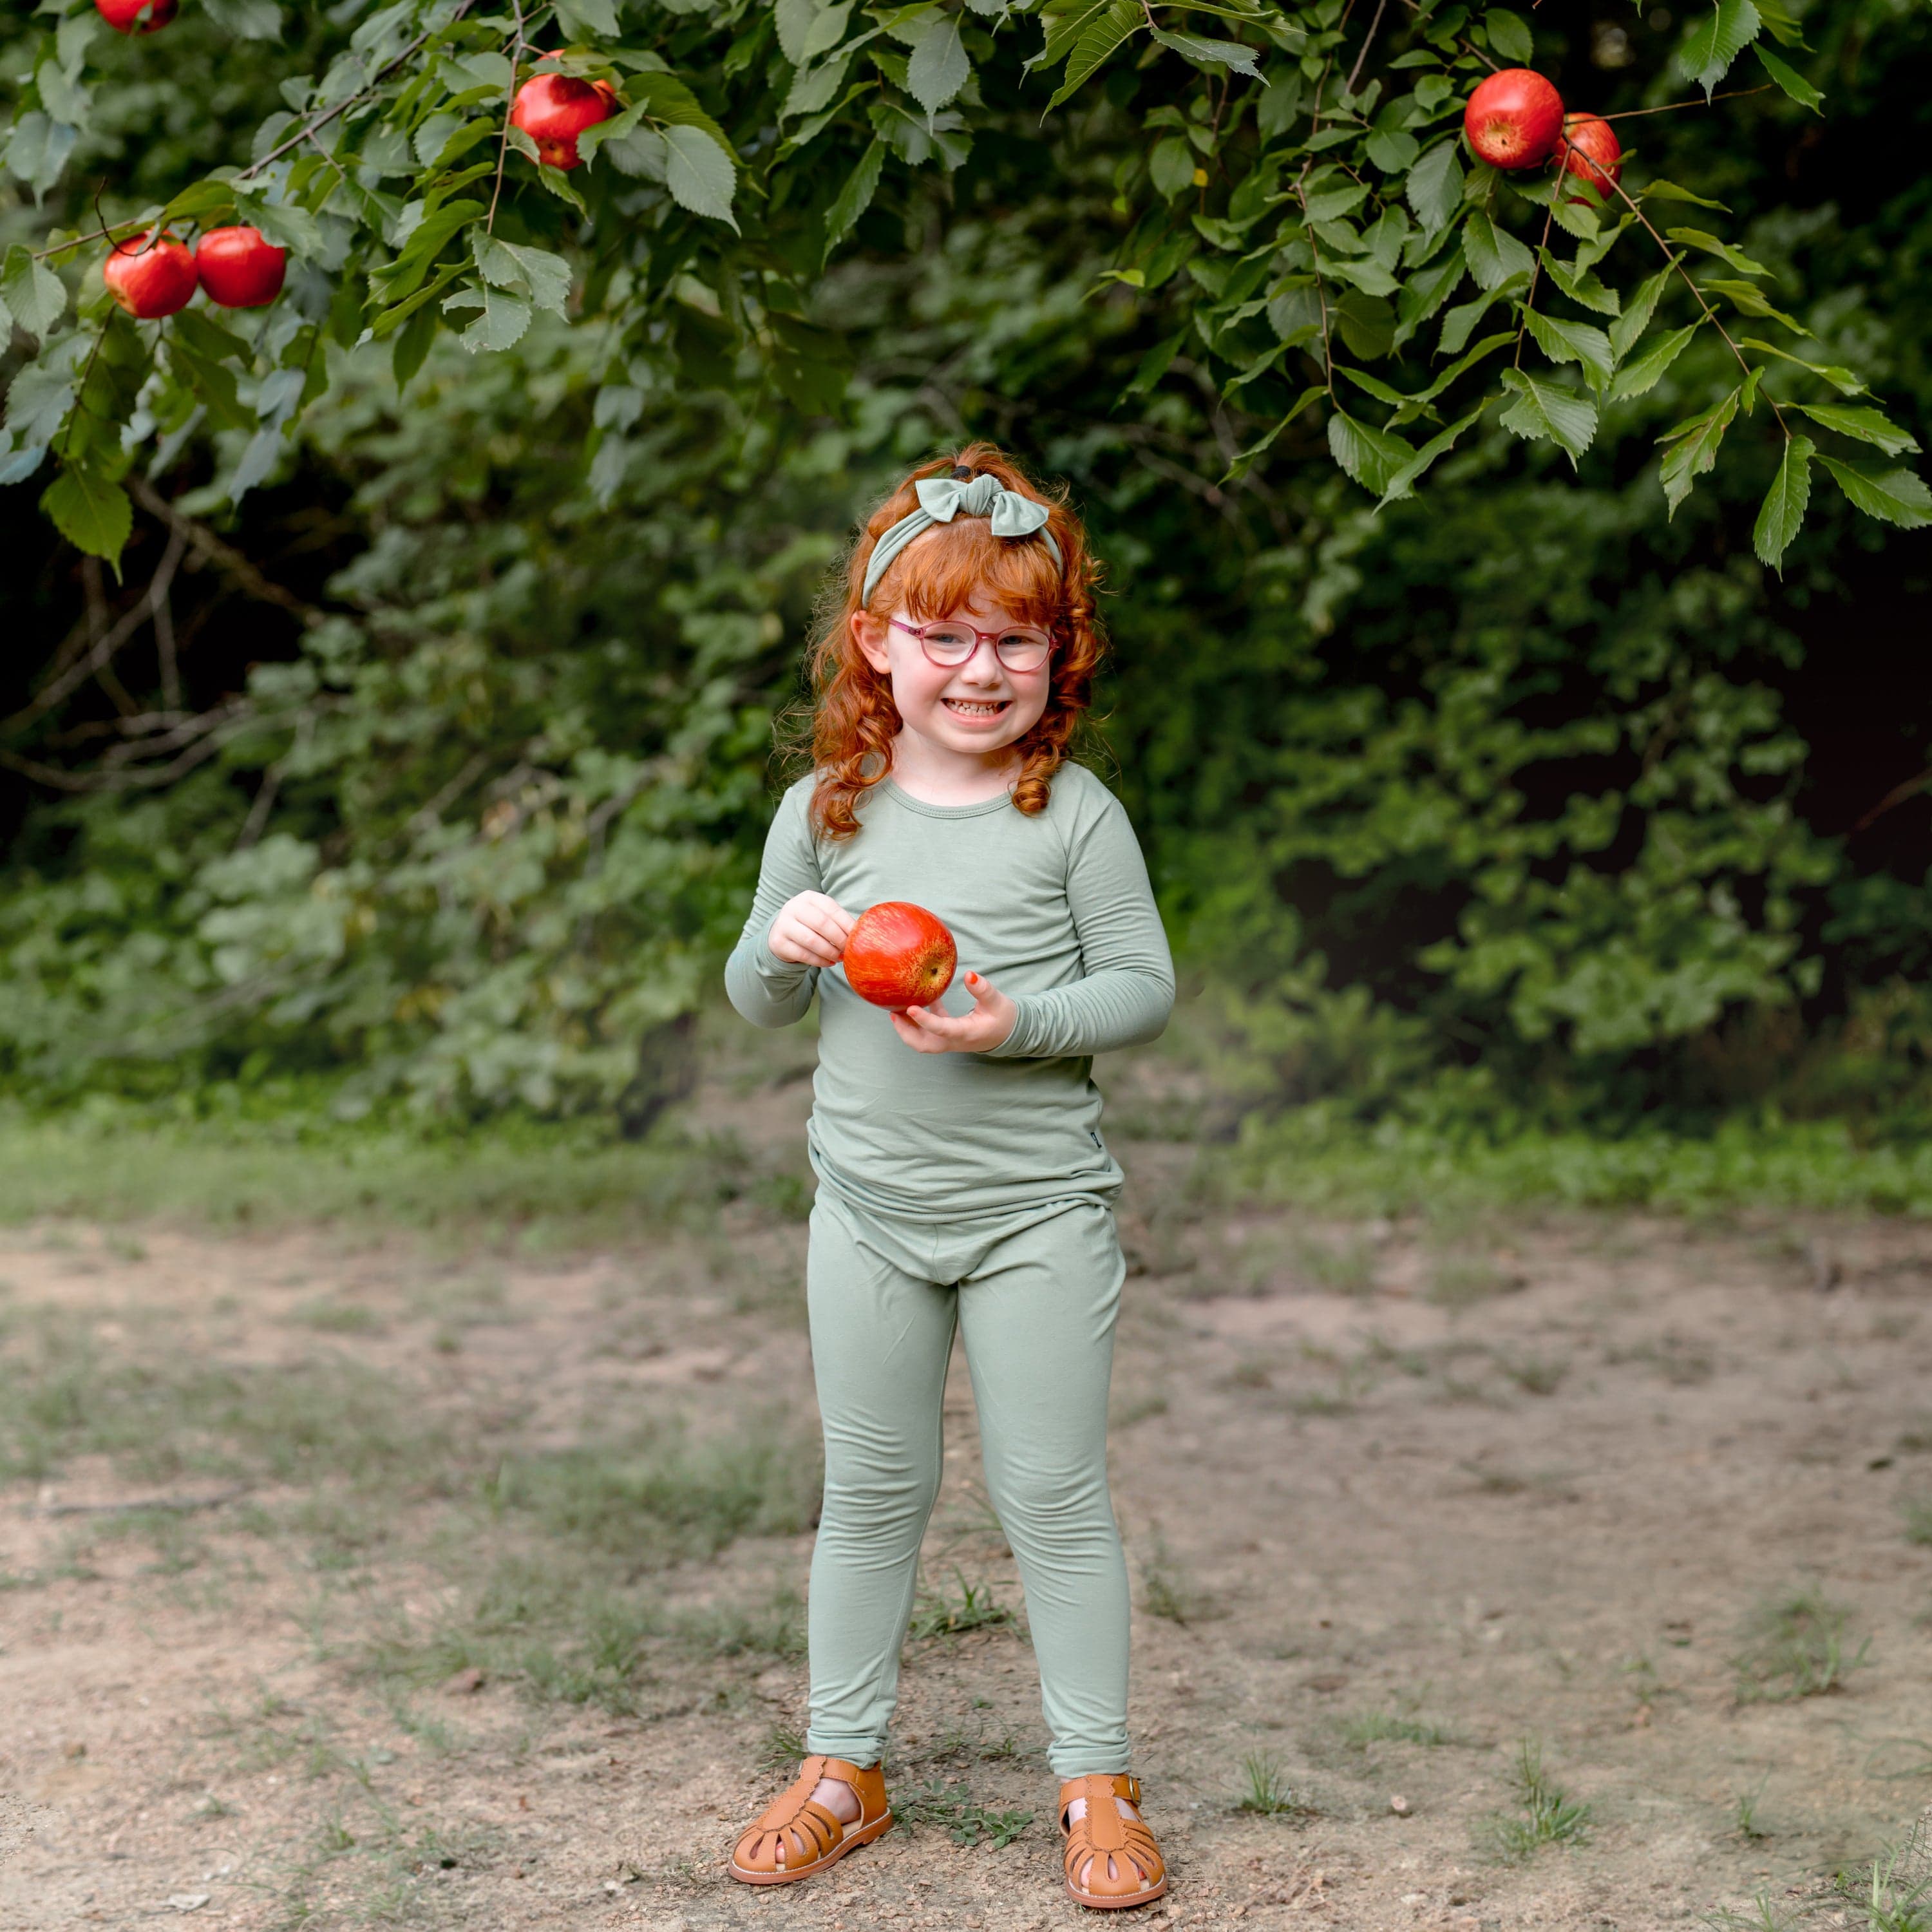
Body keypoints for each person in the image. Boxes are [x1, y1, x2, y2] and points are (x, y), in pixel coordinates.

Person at [721, 446, 1176, 1910]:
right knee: (872, 1489)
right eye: (945, 635)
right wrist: (782, 942)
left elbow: (1143, 990)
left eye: (1016, 639)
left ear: (1061, 653)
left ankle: (1095, 1781)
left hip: (1036, 1216)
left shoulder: (1075, 815)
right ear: (876, 645)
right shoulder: (828, 816)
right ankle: (844, 1767)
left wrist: (1015, 1024)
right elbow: (757, 1002)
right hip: (865, 1214)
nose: (981, 670)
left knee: (1052, 1492)